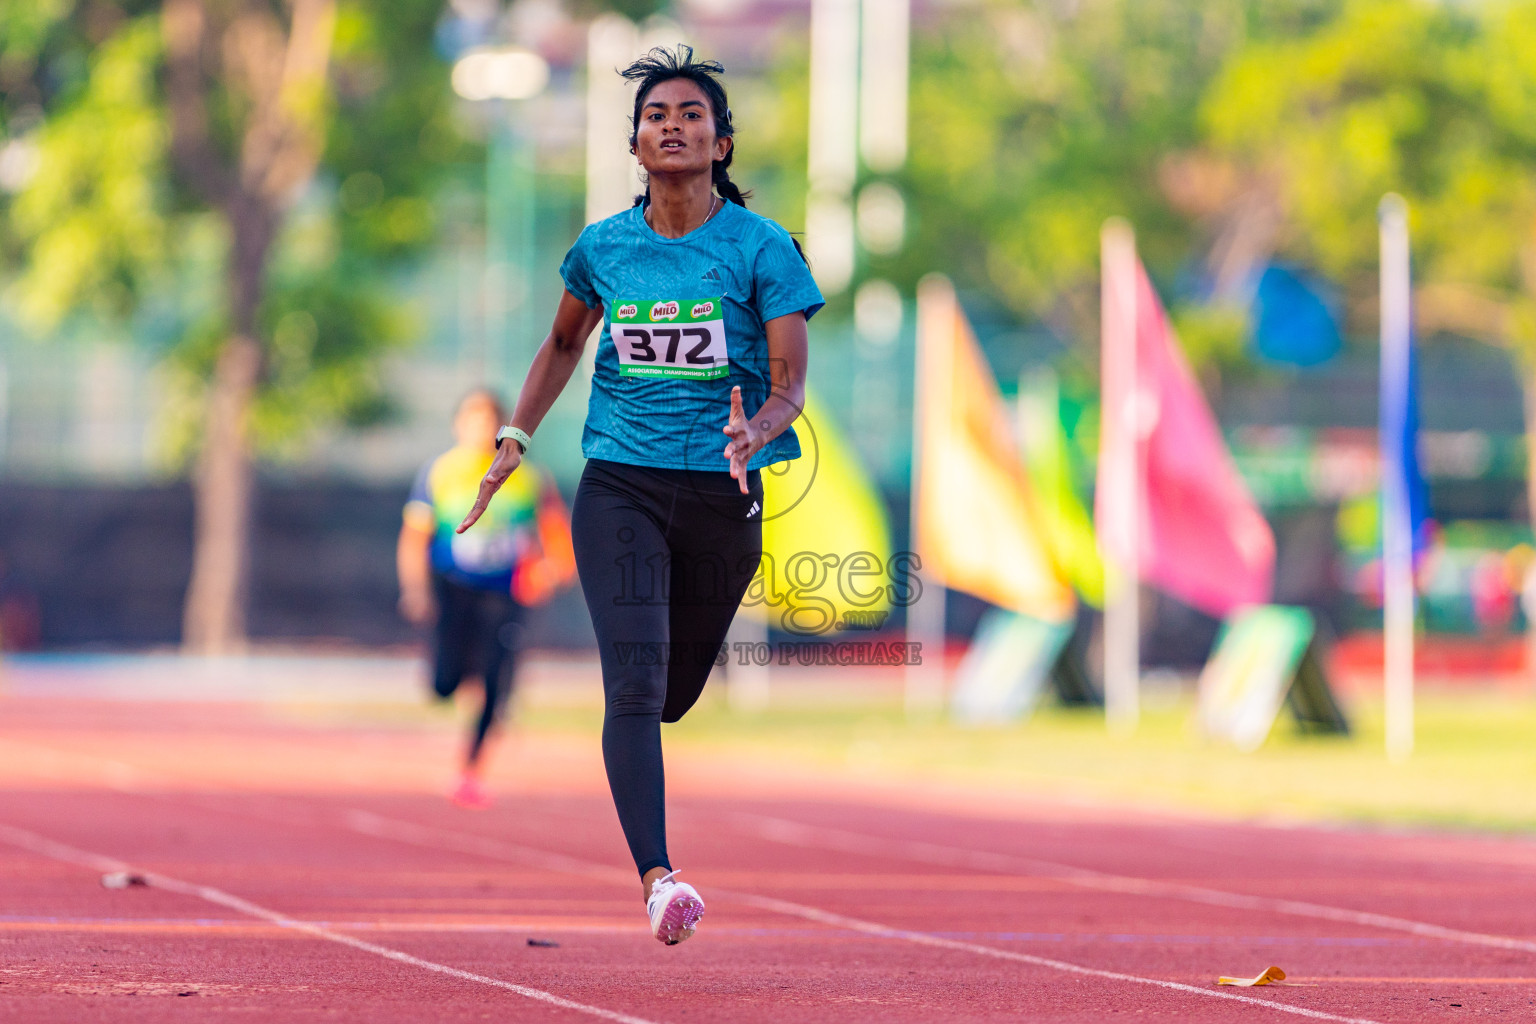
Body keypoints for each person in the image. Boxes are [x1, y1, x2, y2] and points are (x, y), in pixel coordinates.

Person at [455, 46, 822, 945]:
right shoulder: (602, 248)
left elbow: (788, 385)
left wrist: (760, 428)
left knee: (671, 694)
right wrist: (516, 436)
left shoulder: (760, 248)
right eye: (657, 114)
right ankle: (660, 879)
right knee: (633, 686)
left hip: (723, 492)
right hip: (618, 482)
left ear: (721, 143)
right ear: (636, 143)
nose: (672, 124)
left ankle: (654, 727)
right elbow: (562, 345)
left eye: (691, 114)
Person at [399, 388, 568, 810]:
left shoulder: (530, 477)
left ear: (501, 429)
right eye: (471, 420)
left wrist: (549, 571)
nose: (479, 429)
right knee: (444, 684)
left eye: (488, 421)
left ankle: (470, 769)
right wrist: (416, 590)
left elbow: (558, 539)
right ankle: (464, 673)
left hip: (504, 593)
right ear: (458, 425)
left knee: (497, 683)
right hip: (452, 589)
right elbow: (413, 539)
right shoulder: (439, 472)